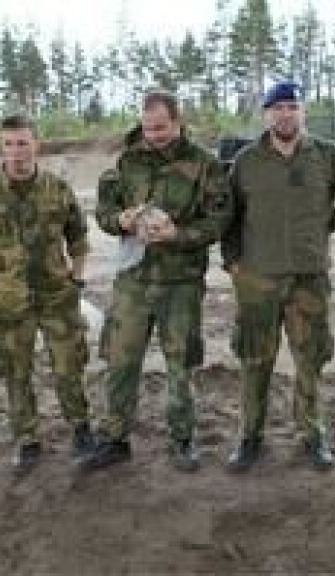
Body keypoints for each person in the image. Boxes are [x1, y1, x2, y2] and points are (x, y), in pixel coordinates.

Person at [222, 81, 335, 471]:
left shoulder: (326, 155)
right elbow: (228, 215)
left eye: (292, 107)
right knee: (255, 359)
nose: (284, 114)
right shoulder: (247, 161)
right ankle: (249, 437)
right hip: (258, 280)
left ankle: (311, 435)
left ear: (302, 112)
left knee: (310, 358)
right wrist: (233, 262)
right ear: (266, 114)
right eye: (277, 108)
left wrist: (329, 226)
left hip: (309, 278)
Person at [80, 89, 232, 472]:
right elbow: (103, 211)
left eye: (161, 127)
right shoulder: (127, 161)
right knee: (120, 360)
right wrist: (122, 220)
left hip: (181, 283)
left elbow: (219, 221)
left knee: (181, 364)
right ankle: (115, 438)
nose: (154, 134)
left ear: (178, 123)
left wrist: (176, 234)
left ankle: (182, 439)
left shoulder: (204, 165)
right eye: (148, 127)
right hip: (133, 279)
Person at [0, 114, 95, 474]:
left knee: (69, 367)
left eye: (22, 143)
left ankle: (81, 430)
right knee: (16, 372)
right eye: (8, 144)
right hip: (10, 302)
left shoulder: (58, 190)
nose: (16, 152)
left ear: (37, 144)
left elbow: (79, 242)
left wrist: (77, 281)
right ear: (1, 147)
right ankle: (27, 439)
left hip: (57, 298)